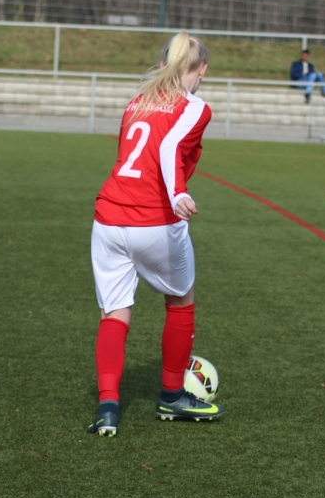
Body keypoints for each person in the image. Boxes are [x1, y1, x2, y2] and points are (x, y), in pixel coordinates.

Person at [87, 31, 224, 437]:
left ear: (163, 64)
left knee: (114, 312)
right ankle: (171, 396)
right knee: (180, 301)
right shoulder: (195, 107)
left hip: (108, 219)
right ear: (202, 69)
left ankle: (107, 408)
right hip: (155, 219)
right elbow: (168, 149)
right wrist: (178, 192)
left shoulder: (137, 101)